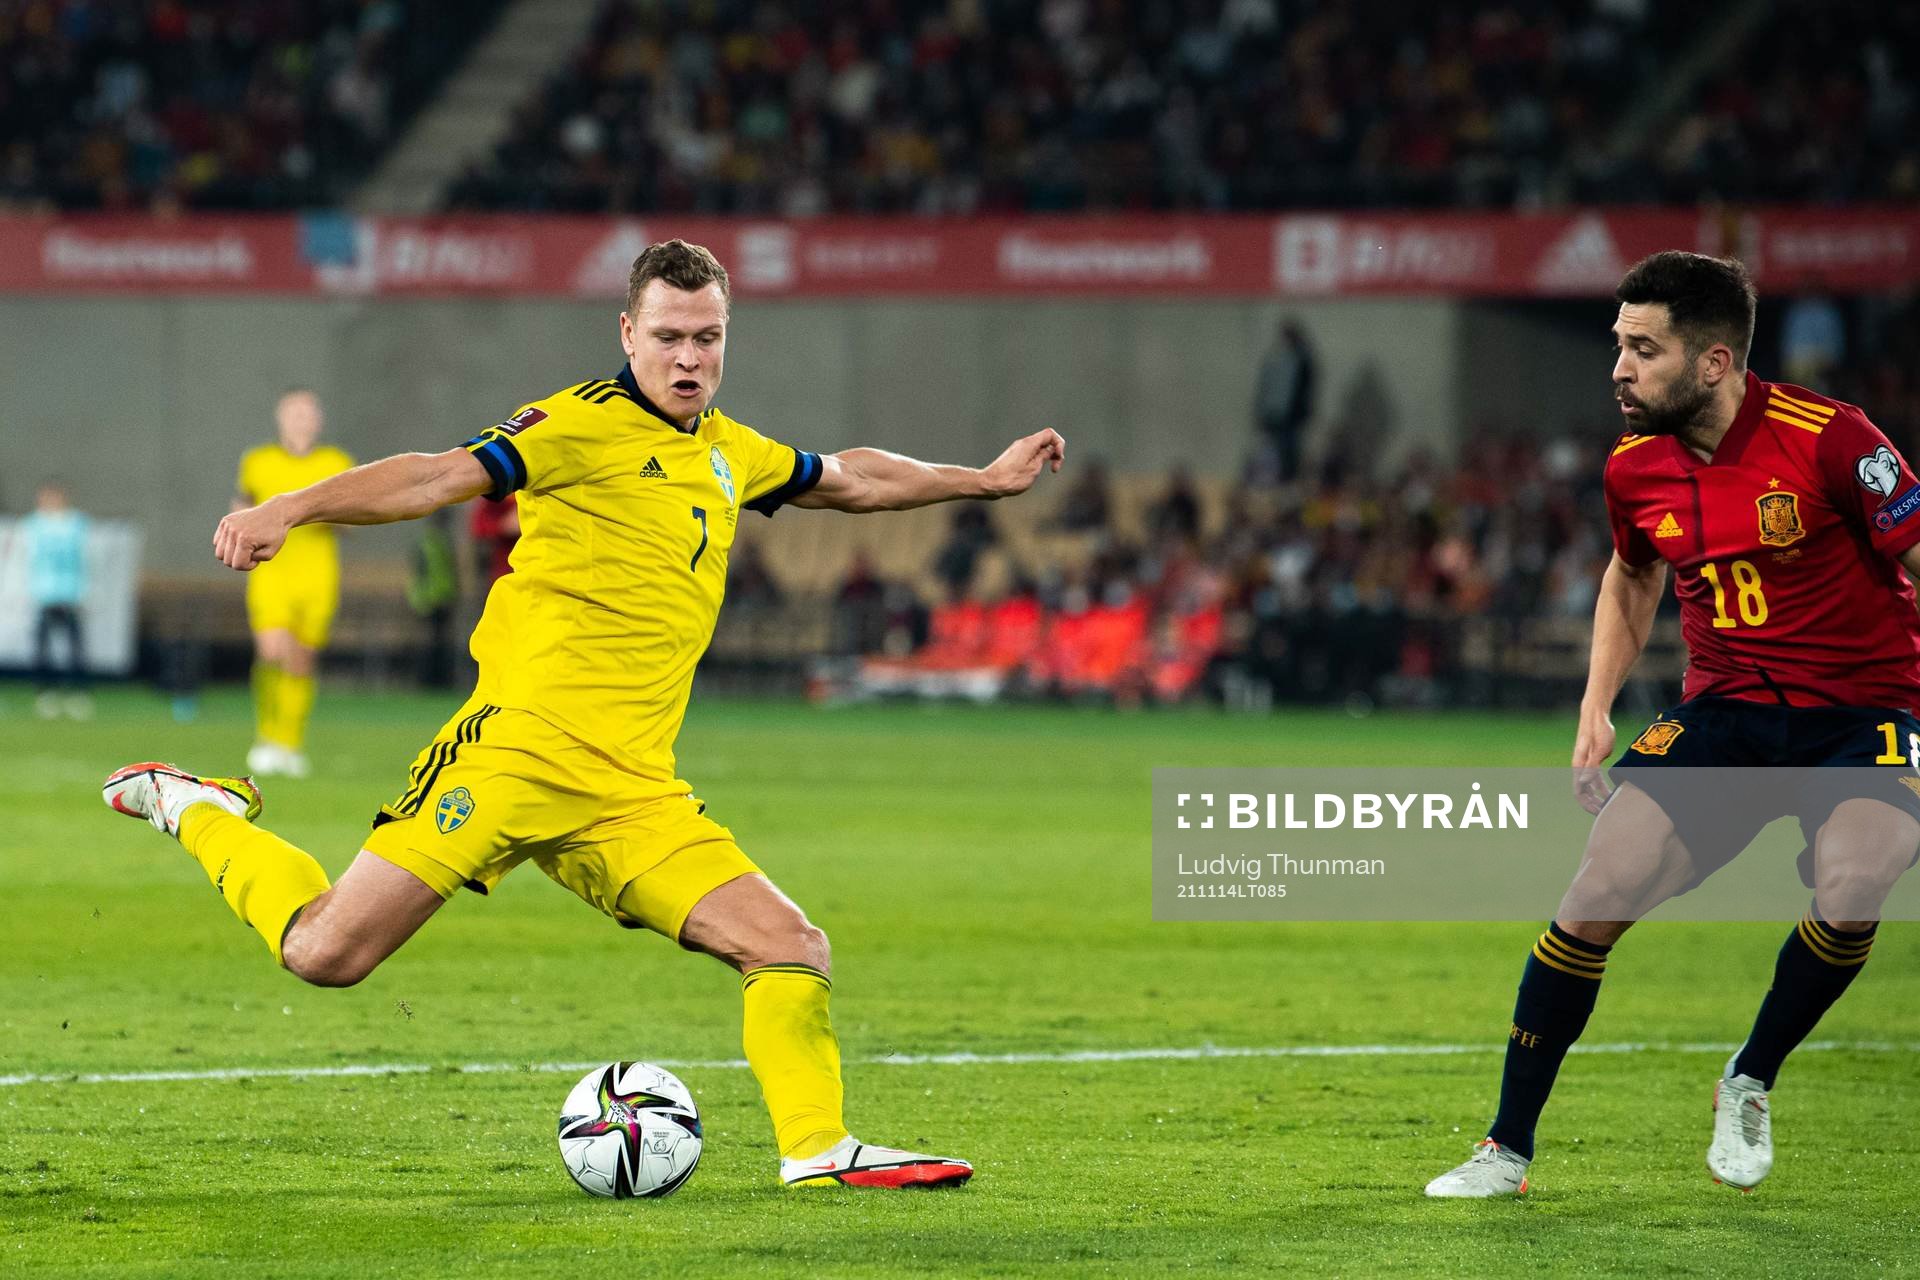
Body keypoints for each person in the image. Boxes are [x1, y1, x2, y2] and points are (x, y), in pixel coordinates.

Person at [104, 239, 1065, 1191]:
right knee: (324, 952)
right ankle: (200, 809)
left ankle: (815, 1147)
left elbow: (853, 478)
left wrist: (980, 480)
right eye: (669, 337)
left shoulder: (733, 452)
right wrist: (294, 507)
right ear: (628, 333)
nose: (689, 358)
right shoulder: (576, 423)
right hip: (516, 752)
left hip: (633, 792)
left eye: (709, 337)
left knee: (789, 945)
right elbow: (437, 477)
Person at [1425, 251, 1920, 1198]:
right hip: (1726, 713)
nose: (1618, 368)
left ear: (1715, 363)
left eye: (1643, 350)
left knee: (1858, 884)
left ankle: (1750, 1076)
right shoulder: (1633, 466)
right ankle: (1507, 1151)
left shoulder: (1832, 439)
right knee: (1595, 891)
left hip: (1862, 714)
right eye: (1617, 345)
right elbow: (1634, 573)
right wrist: (1595, 708)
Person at [235, 389, 354, 778]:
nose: (301, 419)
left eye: (308, 413)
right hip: (272, 570)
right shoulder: (258, 461)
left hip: (318, 572)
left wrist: (327, 514)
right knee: (272, 651)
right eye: (293, 412)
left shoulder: (336, 463)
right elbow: (242, 507)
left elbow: (355, 514)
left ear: (318, 419)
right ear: (280, 418)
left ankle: (290, 743)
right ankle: (266, 737)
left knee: (301, 660)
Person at [22, 481, 91, 719]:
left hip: (70, 593)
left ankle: (77, 694)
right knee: (43, 649)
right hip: (44, 594)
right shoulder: (33, 525)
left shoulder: (76, 523)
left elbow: (84, 559)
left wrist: (84, 592)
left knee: (75, 649)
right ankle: (45, 694)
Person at [1251, 319, 1315, 484]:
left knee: (1288, 450)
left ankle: (1287, 478)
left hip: (1289, 416)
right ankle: (1272, 478)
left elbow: (1303, 389)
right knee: (1272, 450)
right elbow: (1267, 386)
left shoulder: (1301, 359)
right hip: (1275, 413)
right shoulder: (1276, 358)